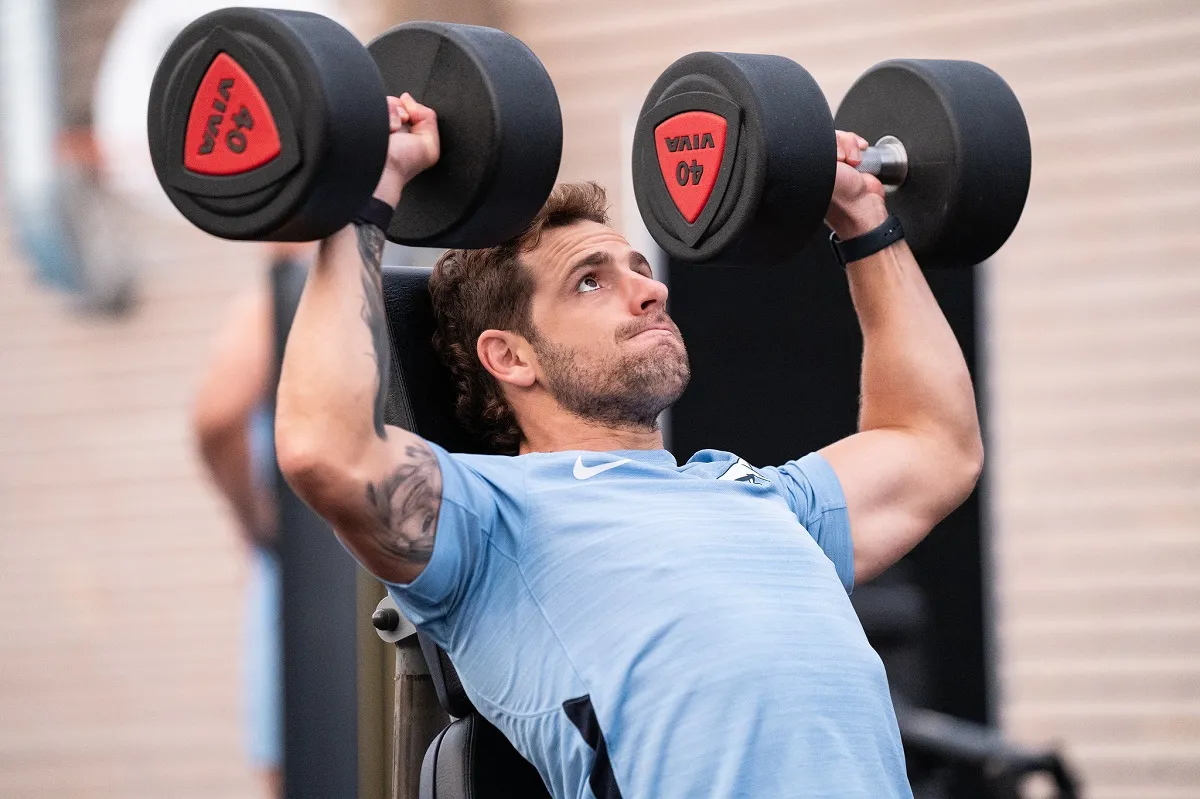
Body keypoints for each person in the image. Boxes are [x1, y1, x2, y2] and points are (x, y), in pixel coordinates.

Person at [275, 94, 982, 798]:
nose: (648, 292)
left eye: (640, 268)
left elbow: (933, 441)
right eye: (592, 281)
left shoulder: (761, 498)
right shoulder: (495, 519)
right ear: (511, 356)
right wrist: (363, 201)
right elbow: (324, 448)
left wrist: (861, 216)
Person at [193, 244, 310, 799]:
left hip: (317, 572)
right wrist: (262, 521)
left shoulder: (289, 293)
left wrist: (259, 520)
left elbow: (216, 416)